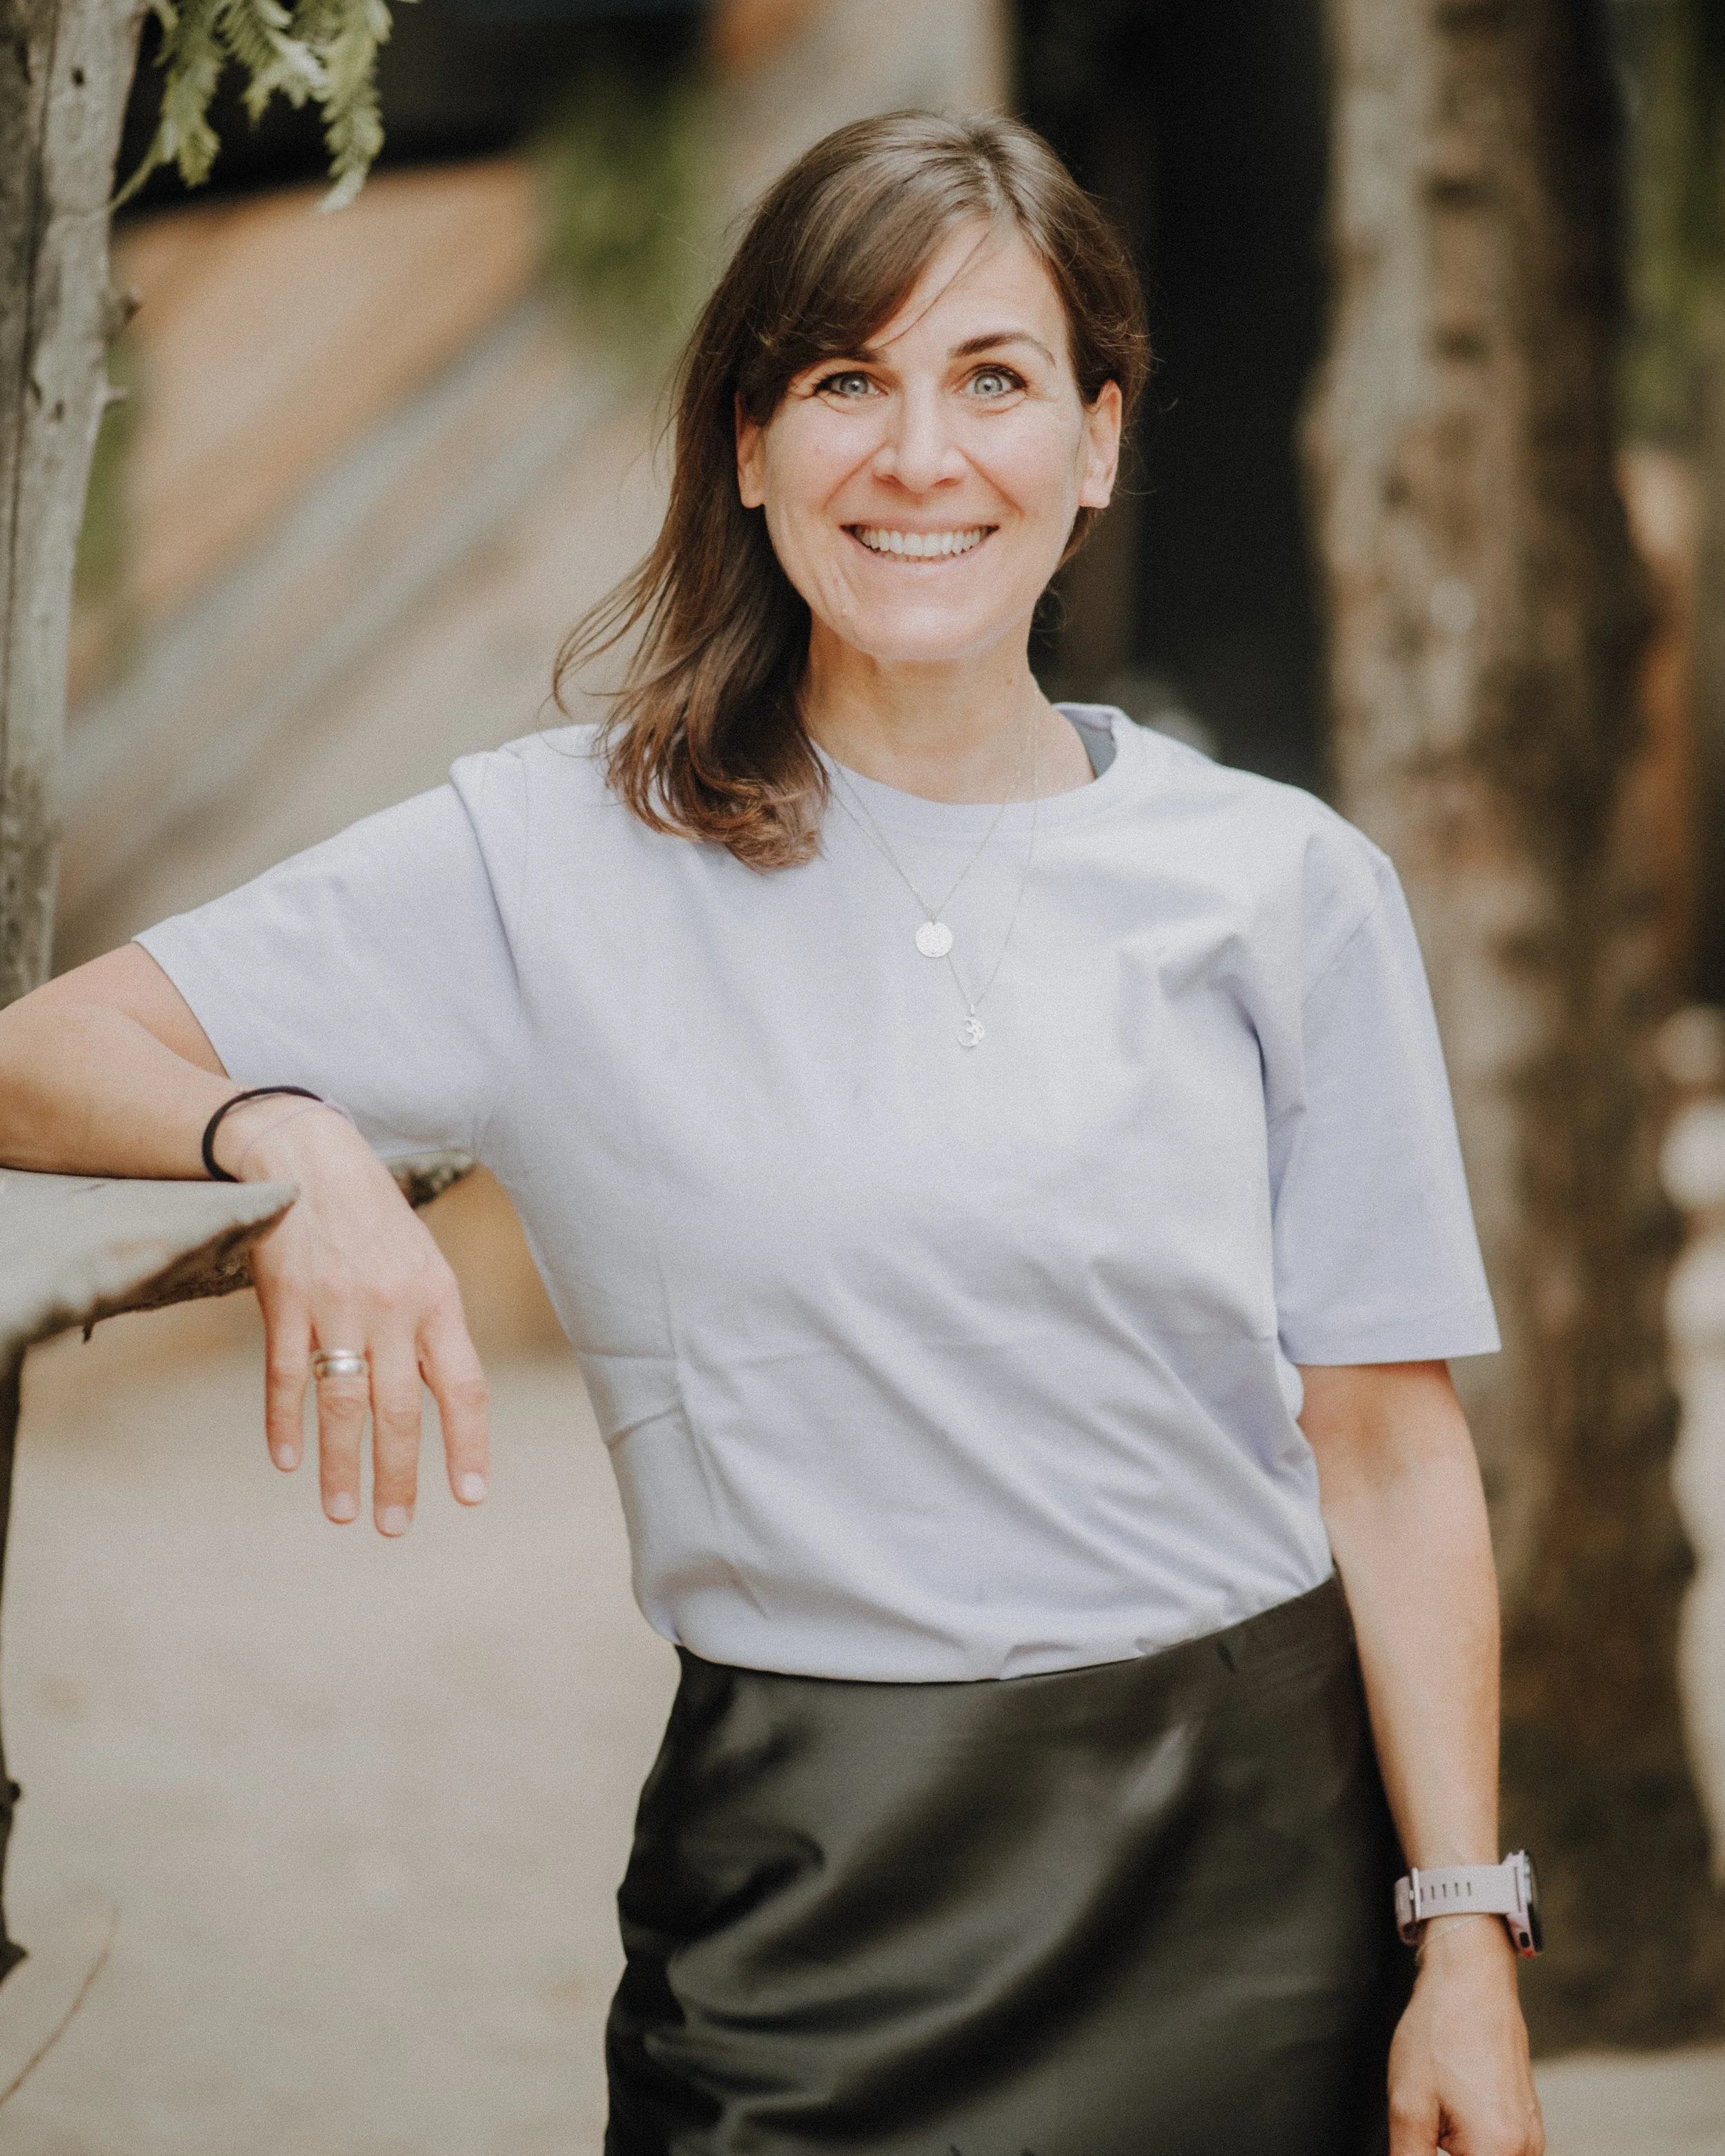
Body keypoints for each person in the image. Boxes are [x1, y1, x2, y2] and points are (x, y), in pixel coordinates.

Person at [0, 111, 1543, 2156]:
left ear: (1094, 441)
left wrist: (1459, 1941)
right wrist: (283, 1135)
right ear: (747, 443)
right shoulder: (548, 859)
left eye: (992, 381)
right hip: (803, 1896)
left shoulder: (1283, 885)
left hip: (1252, 1876)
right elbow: (39, 1048)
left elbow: (1388, 1439)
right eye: (844, 382)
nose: (919, 456)